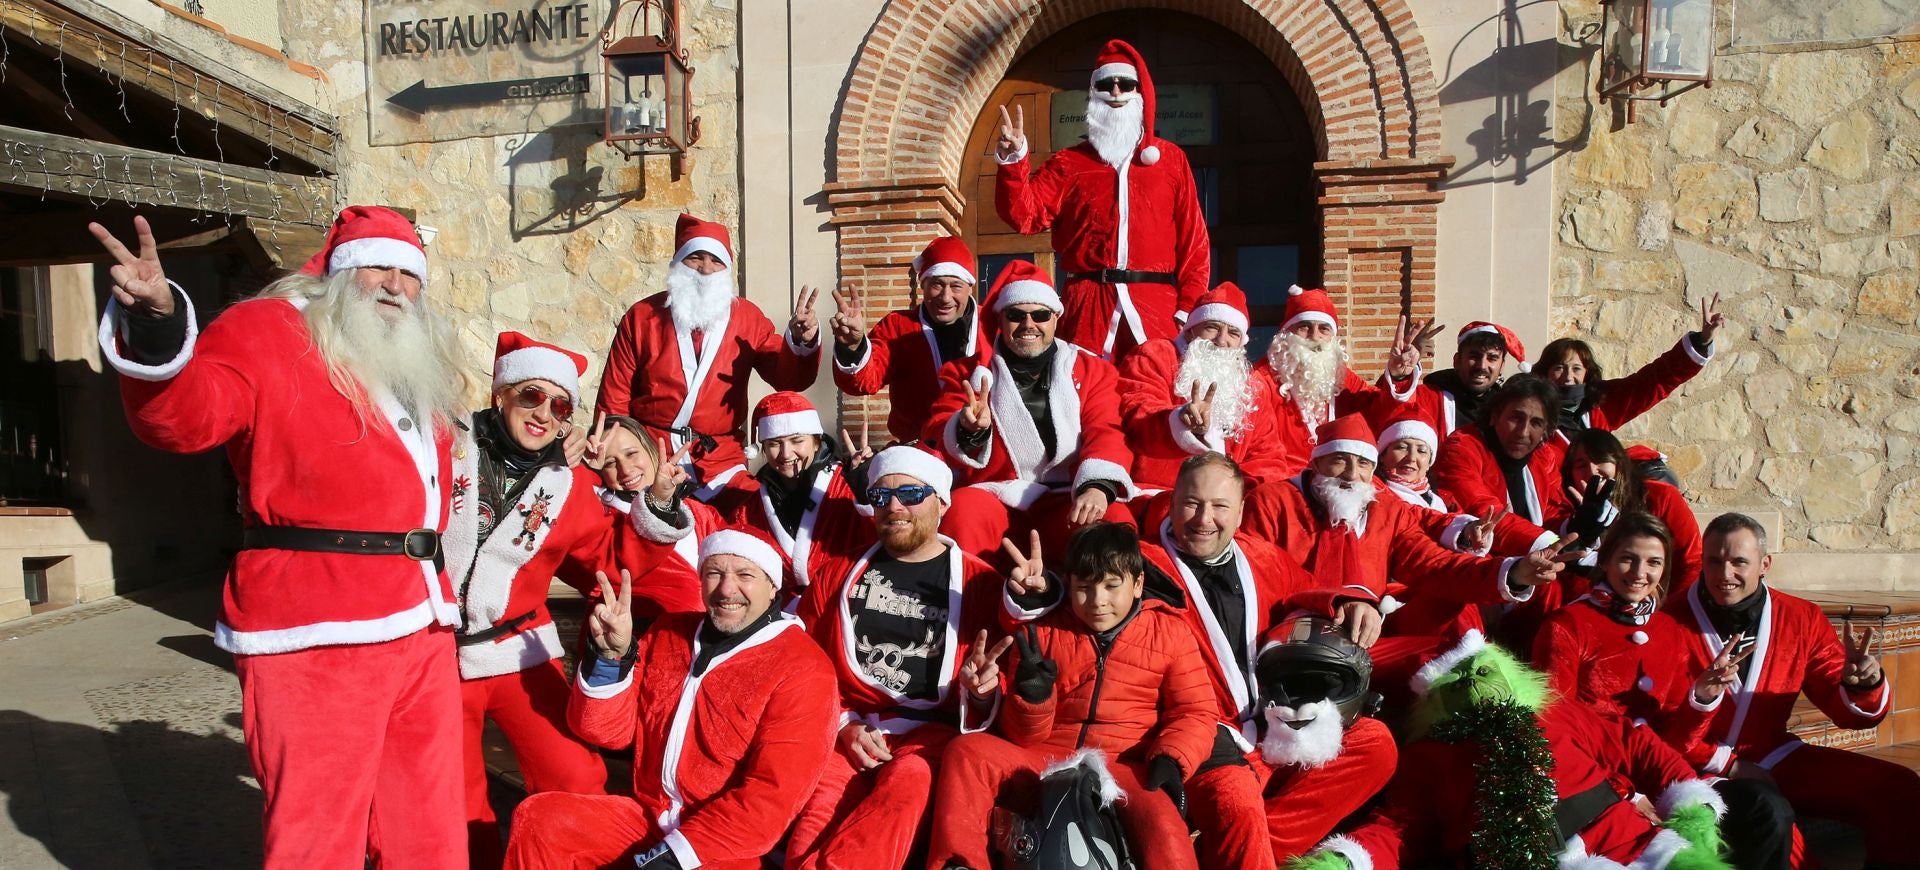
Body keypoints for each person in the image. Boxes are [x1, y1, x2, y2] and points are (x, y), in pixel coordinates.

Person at [89, 207, 466, 867]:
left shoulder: (413, 361)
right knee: (318, 838)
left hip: (421, 621)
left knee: (427, 828)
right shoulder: (268, 331)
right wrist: (155, 325)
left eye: (409, 274)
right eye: (379, 265)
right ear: (341, 269)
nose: (394, 285)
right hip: (315, 628)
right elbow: (187, 417)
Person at [502, 531, 838, 870]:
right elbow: (607, 732)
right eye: (714, 573)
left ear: (772, 586)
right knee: (542, 820)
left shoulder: (804, 669)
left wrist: (674, 855)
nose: (726, 589)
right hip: (646, 817)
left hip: (721, 846)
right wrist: (610, 656)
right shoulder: (669, 632)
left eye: (745, 575)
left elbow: (771, 799)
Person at [1290, 631, 1736, 870]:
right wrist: (1347, 859)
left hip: (1628, 840)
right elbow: (1399, 829)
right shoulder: (1429, 757)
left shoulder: (1555, 713)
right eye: (1457, 682)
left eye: (1481, 671)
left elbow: (1636, 746)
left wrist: (1692, 806)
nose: (1474, 686)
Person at [1142, 454, 1396, 867]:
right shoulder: (1143, 565)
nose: (1204, 518)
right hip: (1202, 735)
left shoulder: (1259, 556)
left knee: (1375, 744)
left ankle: (1224, 853)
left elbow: (1308, 590)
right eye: (1192, 503)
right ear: (1171, 502)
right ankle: (1242, 850)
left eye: (1220, 506)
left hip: (1272, 722)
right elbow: (1089, 595)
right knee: (1238, 802)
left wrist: (1349, 601)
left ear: (1241, 512)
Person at [445, 332, 632, 868]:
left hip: (519, 650)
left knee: (574, 775)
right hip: (437, 658)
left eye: (560, 404)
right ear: (500, 393)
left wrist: (637, 497)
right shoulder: (444, 447)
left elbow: (612, 562)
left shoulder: (570, 483)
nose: (544, 413)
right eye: (530, 395)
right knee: (455, 801)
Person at [926, 523, 1214, 870]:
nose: (1097, 601)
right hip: (1046, 757)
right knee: (966, 752)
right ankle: (960, 863)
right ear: (1069, 583)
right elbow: (1023, 737)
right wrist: (1033, 700)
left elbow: (1195, 711)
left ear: (1137, 584)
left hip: (1125, 765)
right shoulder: (1042, 629)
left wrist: (1171, 759)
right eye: (1084, 587)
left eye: (1111, 586)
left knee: (1164, 829)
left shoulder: (1171, 633)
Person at [785, 447, 1007, 870]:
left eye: (911, 493)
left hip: (929, 740)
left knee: (902, 798)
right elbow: (803, 664)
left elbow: (1000, 692)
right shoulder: (836, 574)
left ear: (942, 502)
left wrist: (981, 695)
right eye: (882, 497)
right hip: (847, 727)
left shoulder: (980, 584)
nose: (895, 506)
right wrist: (844, 726)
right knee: (810, 830)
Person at [1666, 513, 1920, 867]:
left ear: (1764, 563)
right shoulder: (1668, 619)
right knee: (1778, 821)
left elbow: (1847, 711)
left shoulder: (1801, 618)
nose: (1725, 574)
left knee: (1898, 788)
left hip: (1775, 756)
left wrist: (1864, 683)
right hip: (1695, 765)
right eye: (1714, 561)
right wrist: (1731, 763)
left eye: (1739, 561)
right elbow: (1659, 723)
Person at [1241, 414, 1573, 652]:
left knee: (1452, 660)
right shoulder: (1273, 502)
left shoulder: (1387, 509)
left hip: (1370, 640)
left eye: (1363, 465)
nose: (1352, 475)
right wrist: (1338, 601)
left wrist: (1514, 571)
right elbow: (1261, 581)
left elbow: (1436, 565)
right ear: (1315, 465)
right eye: (1339, 461)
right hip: (1292, 638)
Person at [992, 39, 1208, 359]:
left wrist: (1187, 308)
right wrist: (1014, 161)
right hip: (1086, 309)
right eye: (1107, 84)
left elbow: (1194, 242)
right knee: (1086, 401)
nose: (1116, 92)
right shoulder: (1069, 163)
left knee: (1155, 400)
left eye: (1126, 84)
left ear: (1141, 92)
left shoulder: (1170, 160)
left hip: (1156, 307)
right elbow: (1025, 215)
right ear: (1094, 93)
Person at [924, 261, 1137, 568]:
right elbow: (937, 426)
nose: (1028, 324)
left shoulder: (1093, 372)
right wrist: (968, 429)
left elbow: (1106, 429)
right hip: (997, 496)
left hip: (1068, 496)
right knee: (964, 512)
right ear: (1001, 319)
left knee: (1113, 521)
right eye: (1015, 315)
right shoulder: (967, 373)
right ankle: (968, 607)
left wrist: (1097, 486)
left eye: (1040, 315)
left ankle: (1100, 613)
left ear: (1055, 319)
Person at [593, 213, 822, 495]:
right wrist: (617, 458)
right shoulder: (642, 318)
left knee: (748, 518)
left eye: (716, 261)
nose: (706, 268)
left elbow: (788, 377)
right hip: (654, 454)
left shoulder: (748, 318)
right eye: (695, 257)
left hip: (721, 457)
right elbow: (614, 400)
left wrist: (801, 340)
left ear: (726, 269)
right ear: (678, 263)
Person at [1117, 282, 1288, 495]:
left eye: (1233, 333)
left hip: (1229, 504)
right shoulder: (1156, 355)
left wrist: (1242, 497)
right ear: (1190, 332)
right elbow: (1137, 416)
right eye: (1212, 327)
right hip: (1161, 493)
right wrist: (1180, 420)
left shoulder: (1252, 386)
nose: (1221, 340)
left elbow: (1268, 458)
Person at [1256, 286, 1431, 478]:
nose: (1315, 337)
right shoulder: (1261, 382)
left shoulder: (1341, 377)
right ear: (1286, 334)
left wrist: (1398, 376)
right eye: (1304, 326)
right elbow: (1260, 457)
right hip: (1286, 486)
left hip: (1344, 480)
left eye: (1324, 328)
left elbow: (1380, 415)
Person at [714, 391, 873, 599]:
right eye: (774, 443)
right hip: (785, 614)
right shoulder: (750, 507)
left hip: (845, 603)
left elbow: (884, 538)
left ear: (816, 441)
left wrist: (868, 492)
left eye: (797, 441)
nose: (786, 454)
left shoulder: (846, 485)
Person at [830, 236, 988, 444]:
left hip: (983, 446)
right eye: (937, 285)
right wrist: (852, 346)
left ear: (970, 287)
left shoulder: (991, 325)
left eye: (956, 286)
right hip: (917, 452)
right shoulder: (897, 326)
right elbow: (865, 382)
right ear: (923, 285)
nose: (946, 297)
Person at [1539, 293, 1722, 447]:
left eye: (1576, 368)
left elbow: (1654, 381)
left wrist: (1702, 341)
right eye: (1559, 368)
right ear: (1544, 373)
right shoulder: (1530, 409)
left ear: (1588, 373)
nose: (1568, 376)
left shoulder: (1601, 406)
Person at [1552, 429, 1703, 597]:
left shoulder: (1660, 496)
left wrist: (1669, 613)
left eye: (1600, 460)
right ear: (1570, 474)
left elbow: (1692, 561)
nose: (1592, 471)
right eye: (1581, 465)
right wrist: (1580, 530)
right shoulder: (1562, 509)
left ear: (1618, 464)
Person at [587, 415, 707, 617]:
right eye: (610, 463)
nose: (625, 470)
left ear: (650, 449)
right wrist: (583, 470)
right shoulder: (602, 524)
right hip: (647, 641)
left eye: (632, 453)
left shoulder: (701, 513)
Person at [1383, 320, 1527, 444]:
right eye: (1474, 356)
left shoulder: (1507, 407)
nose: (1482, 366)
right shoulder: (1430, 398)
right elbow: (1387, 411)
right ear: (1457, 360)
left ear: (1502, 366)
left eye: (1492, 358)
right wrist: (1399, 376)